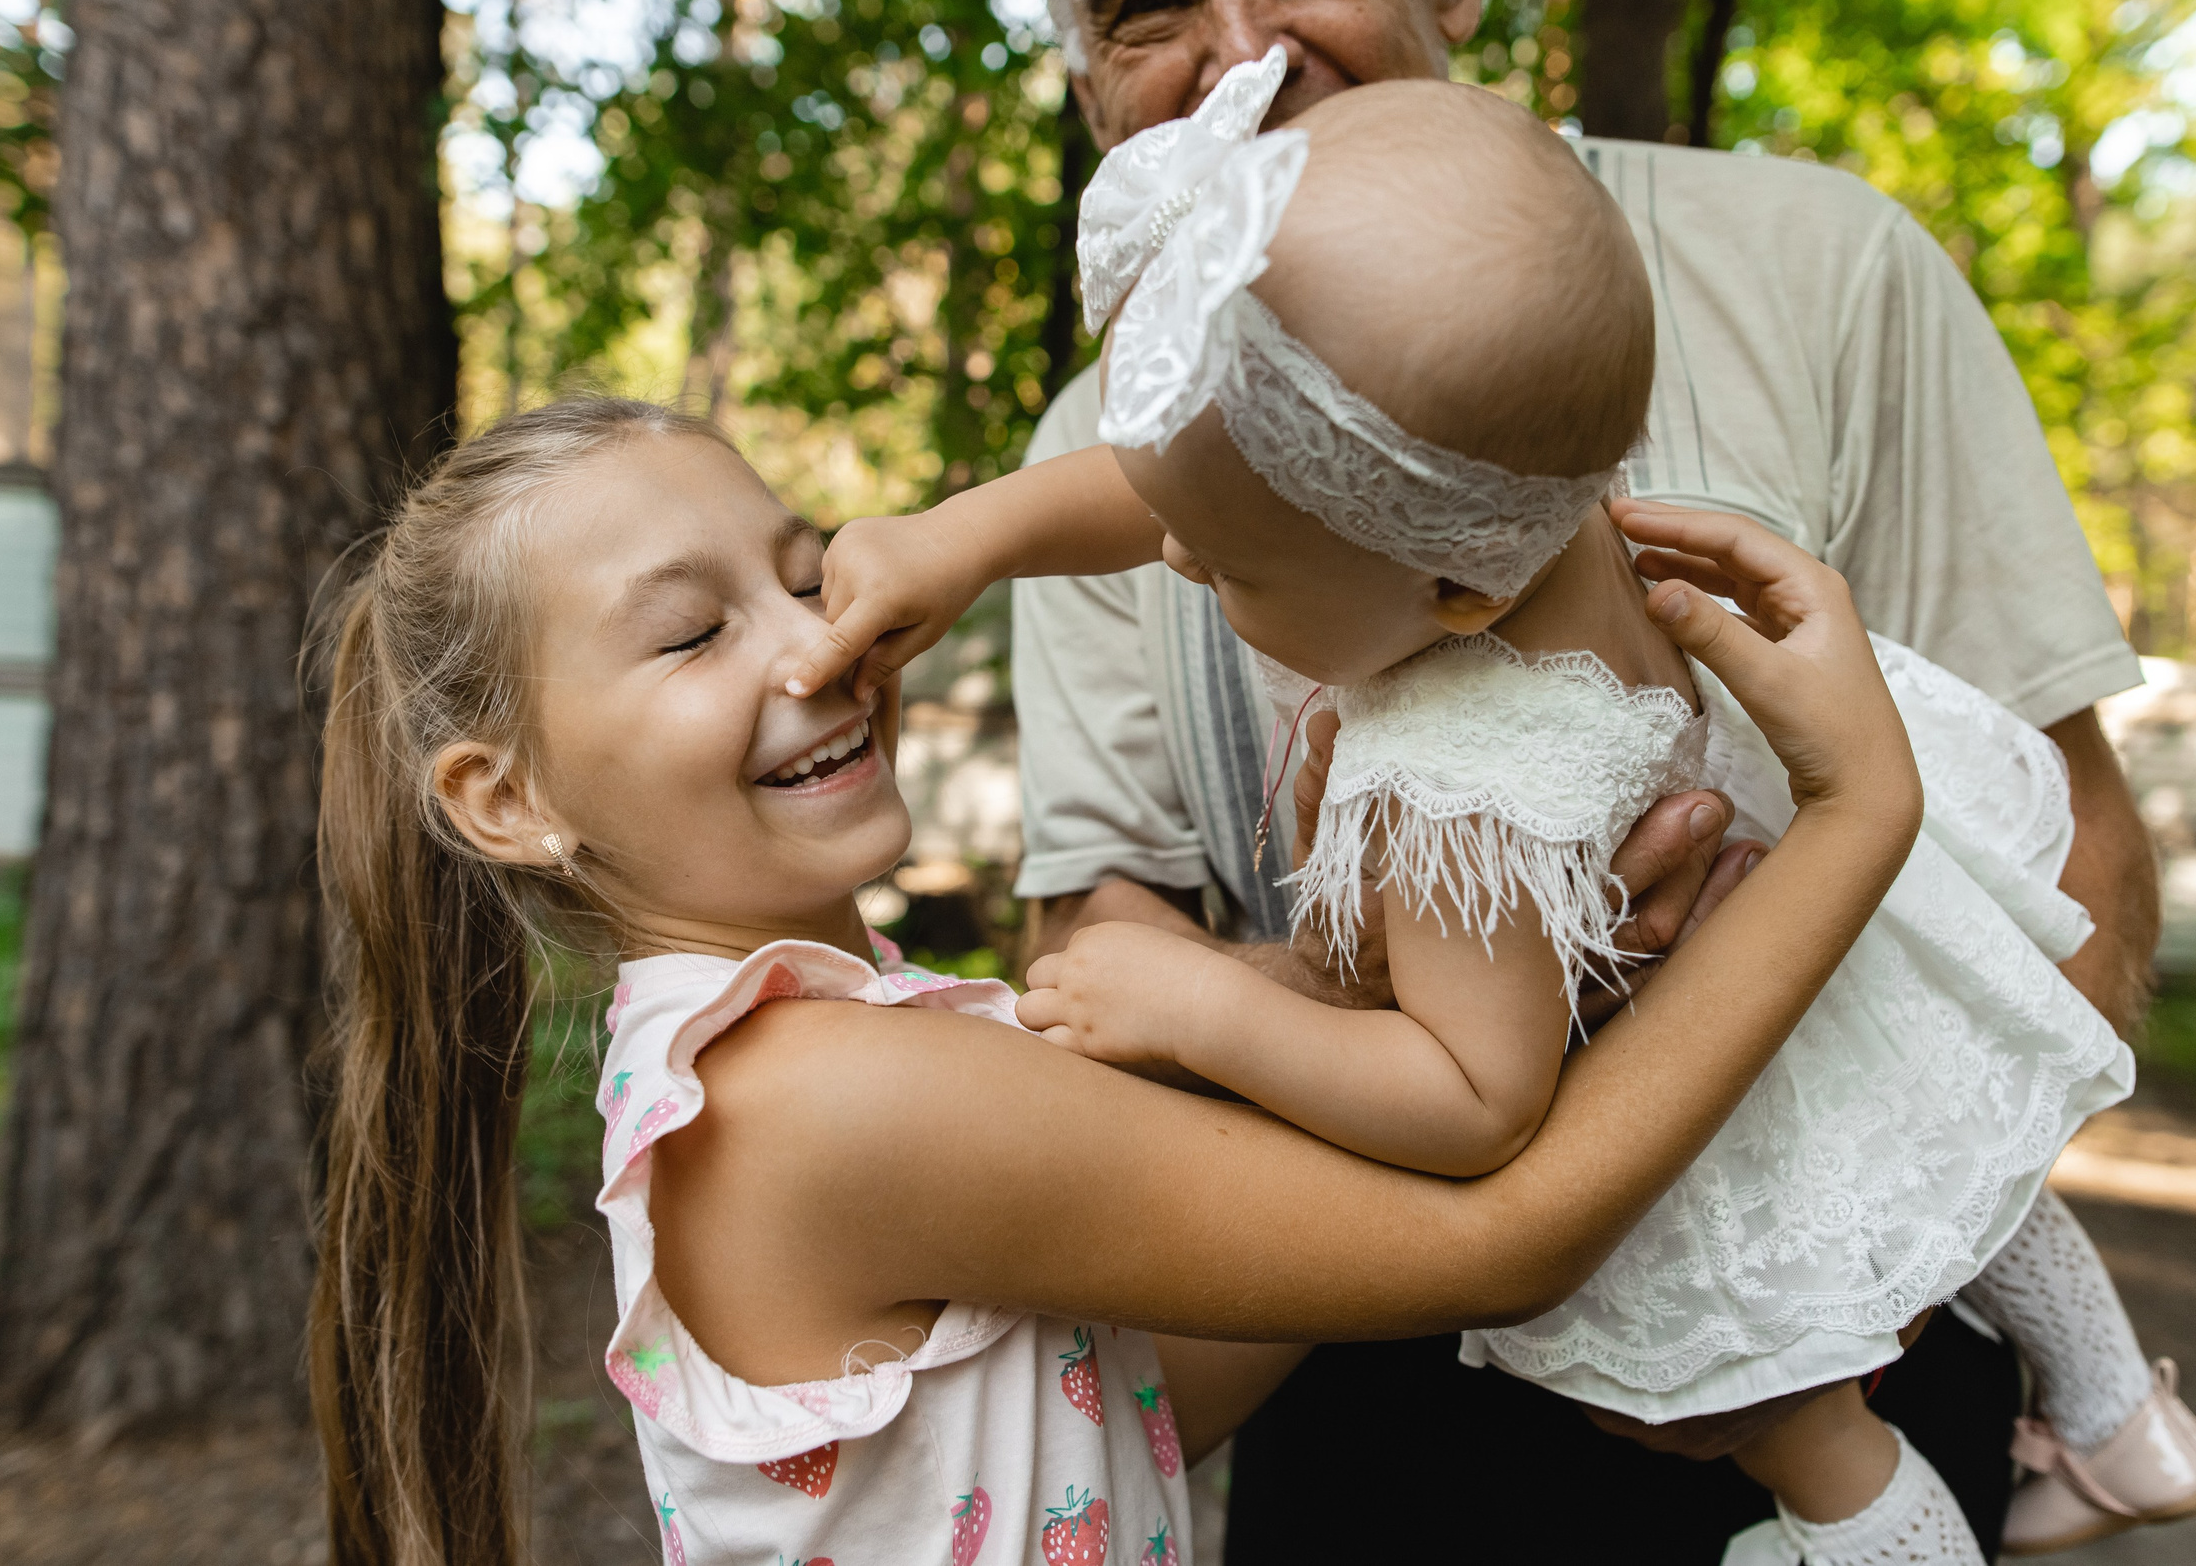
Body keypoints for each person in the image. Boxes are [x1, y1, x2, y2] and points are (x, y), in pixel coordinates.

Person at [790, 60, 2196, 1563]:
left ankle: (1890, 1536)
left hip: (1692, 1114)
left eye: (1227, 572)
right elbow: (1188, 485)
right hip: (1842, 992)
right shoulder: (1546, 503)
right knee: (1948, 1146)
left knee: (1803, 1412)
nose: (1184, 566)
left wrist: (1201, 1005)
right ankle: (2126, 1415)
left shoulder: (1452, 790)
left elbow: (1475, 1103)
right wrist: (964, 539)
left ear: (1451, 588)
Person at [305, 397, 1927, 1566]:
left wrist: (1392, 988)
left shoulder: (821, 1039)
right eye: (687, 636)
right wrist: (1858, 816)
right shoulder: (816, 1101)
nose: (812, 648)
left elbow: (1132, 1399)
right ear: (506, 800)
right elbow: (1502, 1243)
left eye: (803, 578)